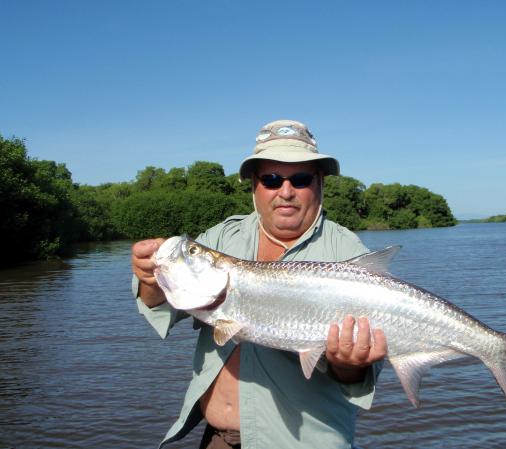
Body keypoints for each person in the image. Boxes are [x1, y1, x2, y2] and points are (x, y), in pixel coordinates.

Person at [131, 120, 388, 449]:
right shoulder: (223, 236)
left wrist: (348, 365)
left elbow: (363, 371)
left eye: (300, 179)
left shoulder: (347, 251)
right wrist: (150, 277)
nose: (285, 191)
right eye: (271, 179)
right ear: (254, 185)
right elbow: (160, 302)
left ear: (320, 182)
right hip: (216, 439)